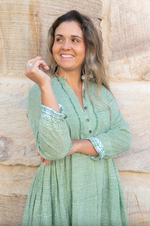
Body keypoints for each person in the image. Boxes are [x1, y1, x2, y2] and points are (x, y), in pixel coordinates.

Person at [22, 10, 131, 226]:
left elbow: (123, 138)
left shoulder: (100, 92)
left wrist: (76, 145)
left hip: (101, 195)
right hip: (58, 196)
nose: (65, 46)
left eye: (75, 40)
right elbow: (54, 149)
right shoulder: (40, 92)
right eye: (59, 39)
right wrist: (44, 84)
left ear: (88, 47)